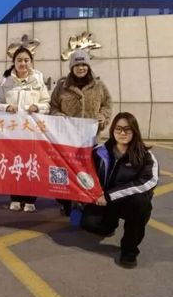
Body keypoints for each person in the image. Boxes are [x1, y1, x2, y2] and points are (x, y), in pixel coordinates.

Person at [87, 112, 158, 268]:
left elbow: (148, 181)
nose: (122, 133)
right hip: (103, 201)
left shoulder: (146, 156)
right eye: (118, 129)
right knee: (87, 223)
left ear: (135, 131)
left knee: (141, 203)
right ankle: (108, 225)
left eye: (127, 129)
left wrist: (109, 196)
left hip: (127, 203)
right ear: (112, 130)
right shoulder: (99, 151)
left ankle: (129, 250)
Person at [50, 49, 112, 216]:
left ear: (88, 66)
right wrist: (58, 116)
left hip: (90, 139)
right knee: (65, 171)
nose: (81, 68)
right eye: (77, 65)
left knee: (88, 171)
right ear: (72, 67)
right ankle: (65, 201)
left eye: (84, 64)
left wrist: (103, 116)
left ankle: (85, 201)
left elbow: (107, 105)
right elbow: (53, 106)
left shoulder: (99, 86)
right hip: (67, 139)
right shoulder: (62, 86)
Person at [0, 46, 50, 212]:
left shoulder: (38, 80)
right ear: (14, 62)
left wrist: (37, 107)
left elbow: (47, 104)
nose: (23, 63)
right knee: (14, 164)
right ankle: (15, 197)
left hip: (32, 131)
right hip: (13, 132)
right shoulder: (6, 82)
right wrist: (6, 107)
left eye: (26, 60)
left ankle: (30, 199)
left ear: (31, 62)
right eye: (19, 60)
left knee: (31, 165)